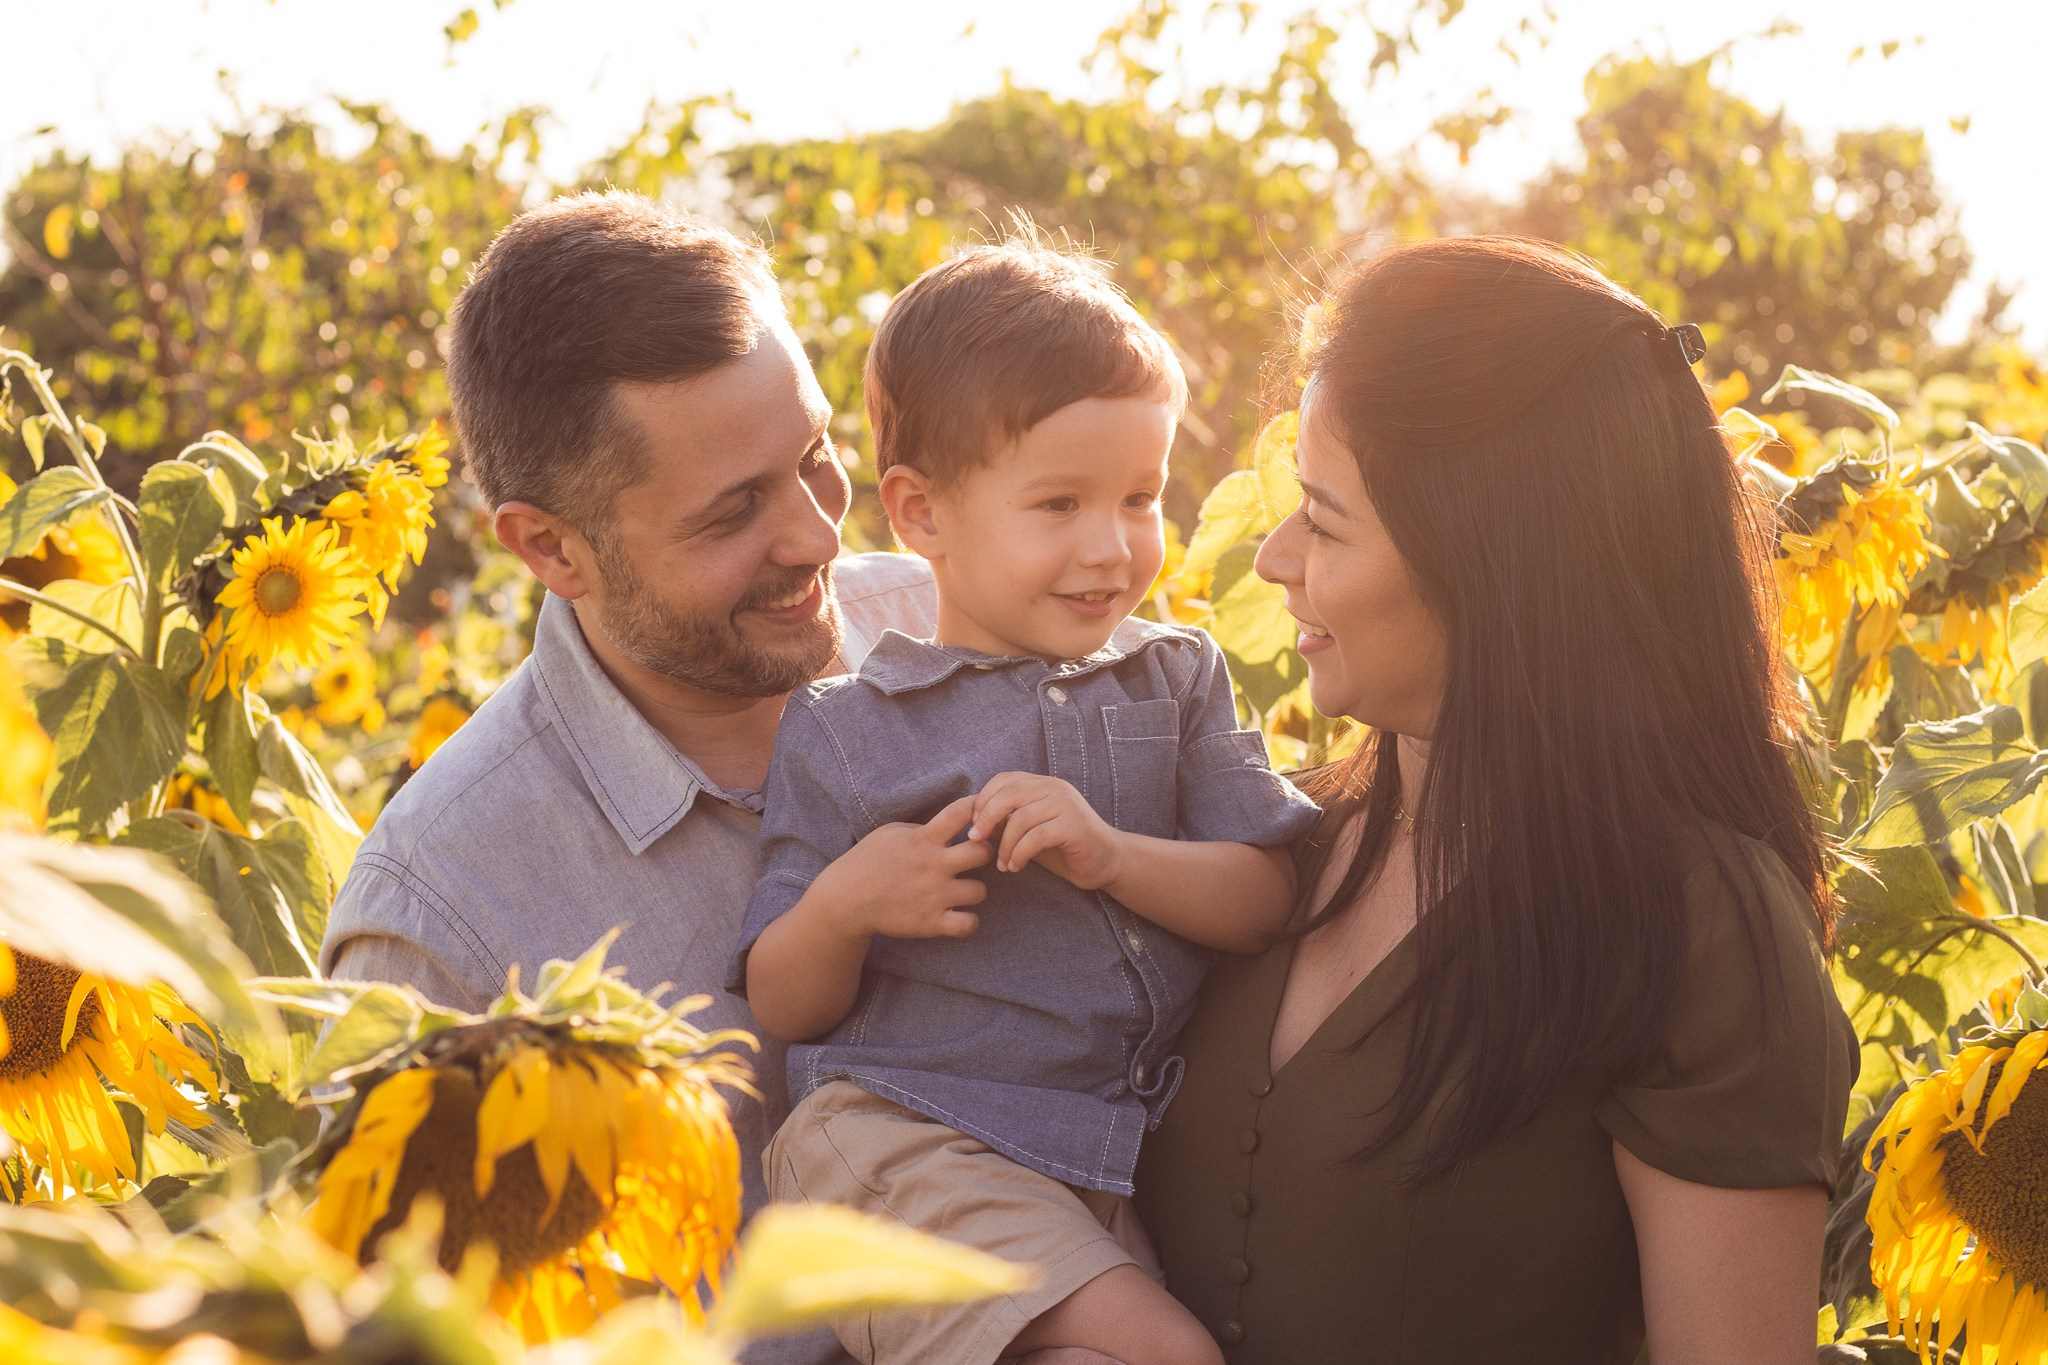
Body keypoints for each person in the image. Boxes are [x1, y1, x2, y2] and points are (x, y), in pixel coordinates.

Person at [1135, 236, 1858, 1364]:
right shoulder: (1266, 846)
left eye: (1324, 522)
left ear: (1488, 561)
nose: (1275, 559)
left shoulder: (1698, 928)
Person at [316, 192, 936, 1339]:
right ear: (550, 546)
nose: (815, 534)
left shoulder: (954, 633)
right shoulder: (446, 921)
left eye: (815, 457)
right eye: (732, 512)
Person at [727, 240, 1321, 1365]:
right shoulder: (850, 728)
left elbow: (1263, 895)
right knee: (1167, 1356)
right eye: (1056, 504)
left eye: (1140, 498)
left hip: (1084, 1157)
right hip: (899, 1149)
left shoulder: (1178, 677)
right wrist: (846, 908)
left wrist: (1109, 855)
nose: (1110, 547)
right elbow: (782, 1000)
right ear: (923, 515)